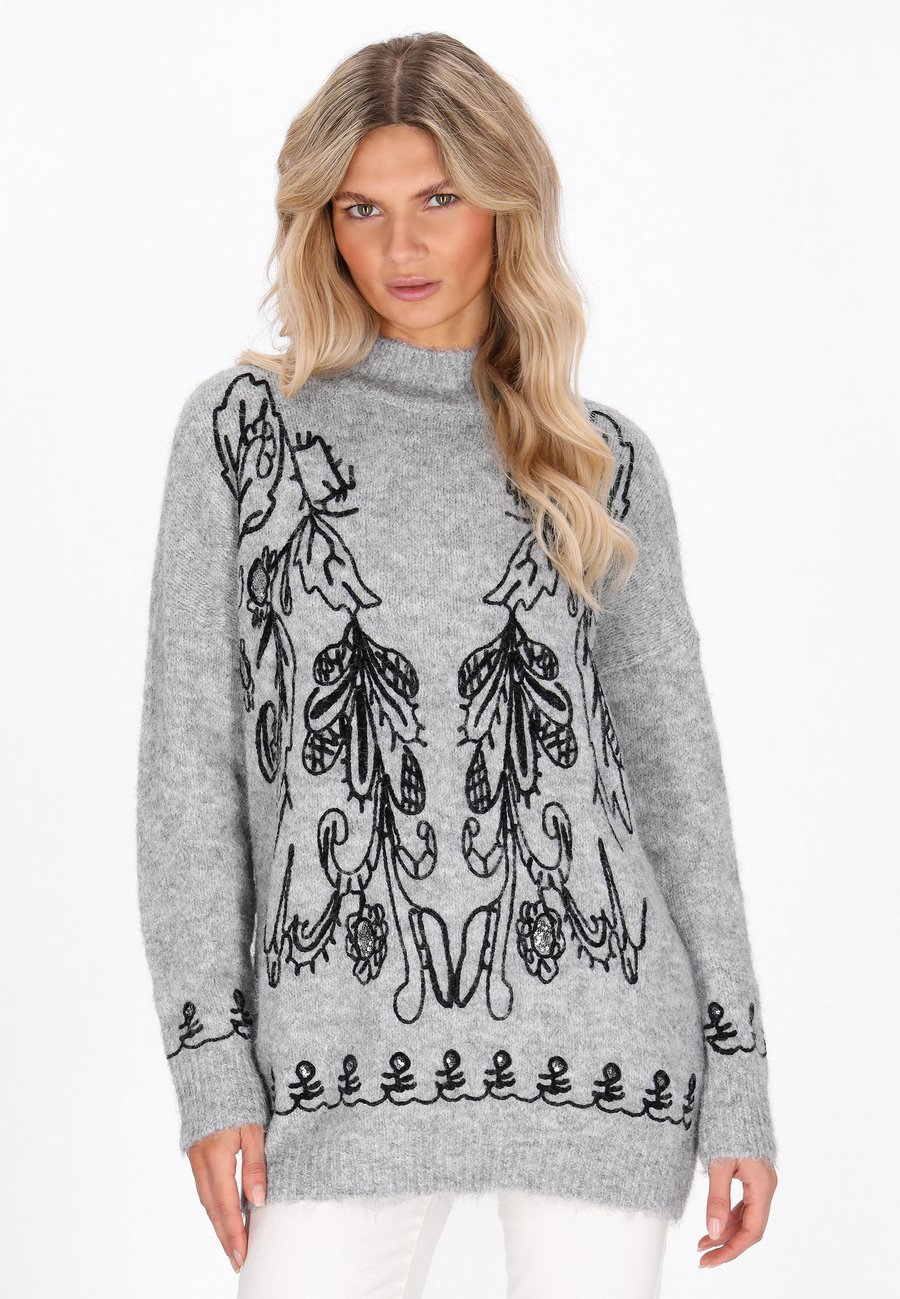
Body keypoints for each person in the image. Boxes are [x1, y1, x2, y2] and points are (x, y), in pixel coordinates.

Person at [135, 31, 778, 1298]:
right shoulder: (243, 437)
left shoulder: (600, 463)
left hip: (601, 1045)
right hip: (334, 1056)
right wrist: (211, 1068)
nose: (401, 248)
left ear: (504, 202)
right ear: (321, 222)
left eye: (438, 200)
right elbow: (186, 774)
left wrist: (741, 1079)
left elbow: (676, 786)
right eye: (361, 209)